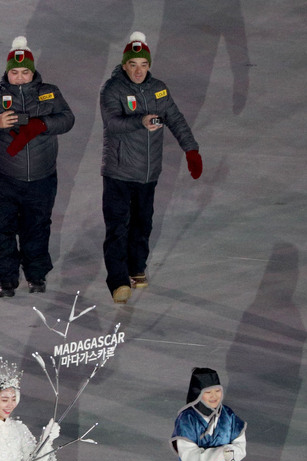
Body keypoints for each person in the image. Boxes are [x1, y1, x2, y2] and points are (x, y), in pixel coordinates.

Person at [100, 32, 202, 304]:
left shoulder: (158, 88)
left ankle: (136, 268)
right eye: (132, 64)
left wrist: (191, 150)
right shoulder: (113, 90)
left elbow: (176, 119)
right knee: (118, 226)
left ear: (149, 66)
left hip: (148, 173)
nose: (138, 70)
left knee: (143, 223)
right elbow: (112, 123)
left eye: (143, 65)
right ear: (124, 66)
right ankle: (118, 281)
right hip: (119, 172)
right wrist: (140, 121)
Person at [0, 36, 75, 298]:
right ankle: (6, 278)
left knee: (37, 227)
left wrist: (43, 124)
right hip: (3, 177)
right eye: (14, 72)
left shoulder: (49, 92)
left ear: (33, 72)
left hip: (41, 177)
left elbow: (67, 119)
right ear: (7, 72)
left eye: (25, 72)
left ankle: (36, 274)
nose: (19, 77)